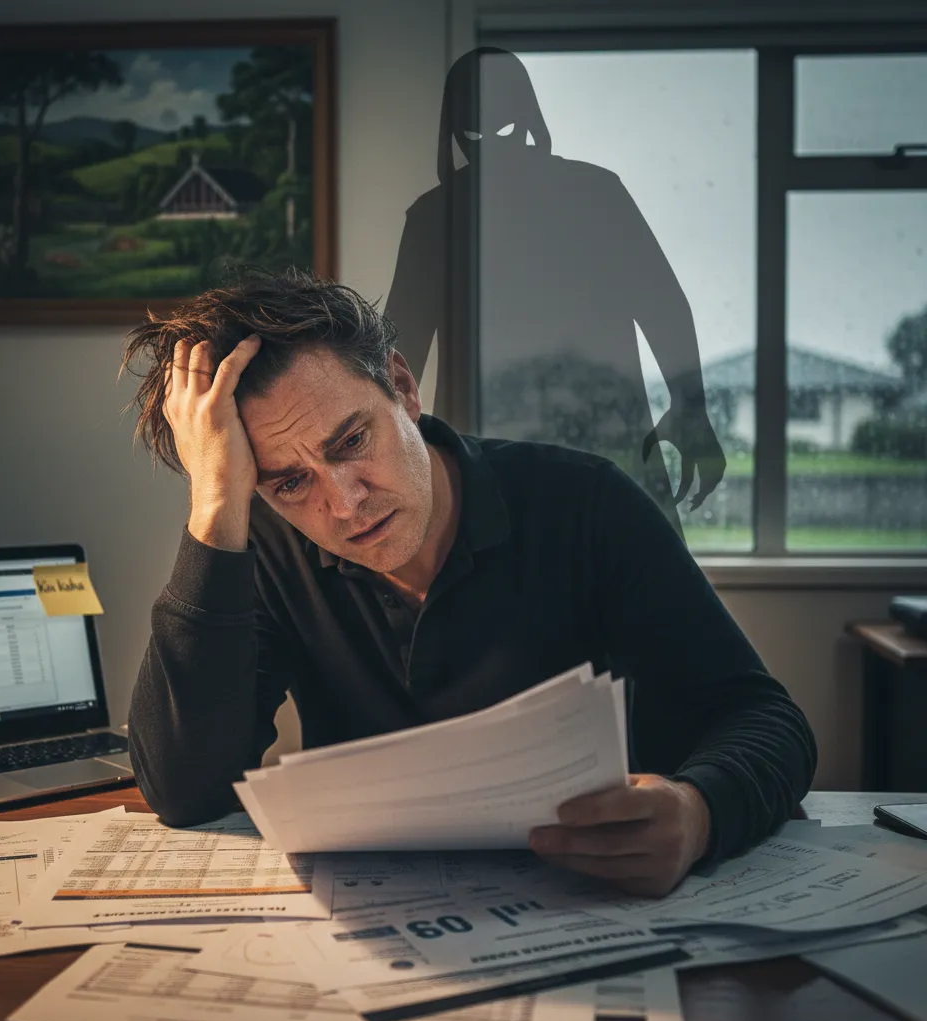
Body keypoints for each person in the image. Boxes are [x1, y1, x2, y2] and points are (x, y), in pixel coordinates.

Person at [120, 267, 816, 898]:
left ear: (402, 386)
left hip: (606, 906)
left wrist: (698, 813)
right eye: (290, 482)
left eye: (352, 442)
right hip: (383, 931)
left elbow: (767, 722)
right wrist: (215, 506)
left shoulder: (585, 504)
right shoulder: (265, 547)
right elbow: (184, 792)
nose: (344, 501)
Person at [386, 47, 727, 532]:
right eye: (478, 136)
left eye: (499, 132)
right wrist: (691, 410)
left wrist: (692, 410)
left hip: (525, 454)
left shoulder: (438, 214)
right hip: (533, 453)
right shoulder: (593, 191)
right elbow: (399, 357)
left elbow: (398, 358)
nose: (494, 147)